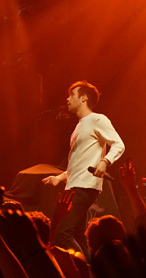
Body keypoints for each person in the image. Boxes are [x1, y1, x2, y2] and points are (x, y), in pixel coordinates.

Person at [42, 80, 124, 260]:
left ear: (84, 98)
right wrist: (60, 178)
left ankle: (82, 270)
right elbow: (78, 162)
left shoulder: (97, 119)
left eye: (72, 95)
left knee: (61, 233)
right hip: (76, 185)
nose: (67, 99)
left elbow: (119, 144)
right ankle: (90, 270)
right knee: (77, 235)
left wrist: (105, 161)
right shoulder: (80, 126)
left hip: (84, 187)